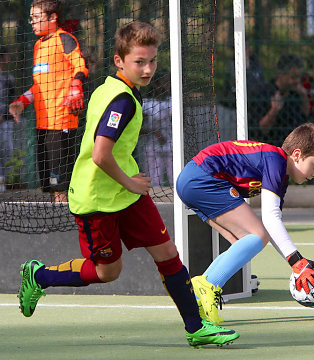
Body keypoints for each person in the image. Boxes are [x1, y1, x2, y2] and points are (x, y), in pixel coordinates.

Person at [17, 21, 239, 348]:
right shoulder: (120, 100)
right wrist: (131, 183)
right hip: (97, 199)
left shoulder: (114, 87)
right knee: (108, 272)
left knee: (167, 253)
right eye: (140, 62)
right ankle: (39, 276)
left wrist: (130, 186)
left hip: (126, 193)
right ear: (120, 61)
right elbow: (100, 154)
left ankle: (196, 327)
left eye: (152, 61)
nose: (148, 69)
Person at [176, 122, 314, 324]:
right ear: (297, 155)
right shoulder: (275, 159)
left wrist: (295, 263)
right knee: (257, 235)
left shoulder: (280, 174)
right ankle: (207, 284)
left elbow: (272, 225)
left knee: (243, 241)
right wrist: (297, 262)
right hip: (202, 177)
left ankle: (199, 300)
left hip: (194, 179)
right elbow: (269, 218)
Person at [9, 0, 88, 202]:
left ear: (52, 18)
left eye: (36, 17)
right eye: (31, 18)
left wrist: (76, 85)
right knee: (50, 185)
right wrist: (21, 102)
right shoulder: (37, 46)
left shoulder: (65, 39)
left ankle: (69, 228)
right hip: (42, 124)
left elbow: (80, 66)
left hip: (61, 122)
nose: (32, 22)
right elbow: (39, 86)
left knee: (61, 185)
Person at [249, 54, 310, 146]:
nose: (297, 81)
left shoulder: (296, 93)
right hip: (269, 146)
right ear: (280, 74)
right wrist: (274, 110)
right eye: (293, 77)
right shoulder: (264, 93)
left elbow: (305, 115)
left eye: (299, 77)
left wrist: (304, 96)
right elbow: (260, 129)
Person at [138, 70, 173, 186]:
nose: (167, 85)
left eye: (168, 82)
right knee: (155, 181)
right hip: (152, 147)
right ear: (156, 84)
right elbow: (138, 128)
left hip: (171, 145)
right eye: (164, 82)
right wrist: (154, 132)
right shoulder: (146, 103)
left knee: (174, 178)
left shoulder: (172, 101)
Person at [0, 45, 16, 190]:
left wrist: (4, 115)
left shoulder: (8, 78)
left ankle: (2, 183)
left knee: (6, 151)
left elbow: (12, 99)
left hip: (4, 122)